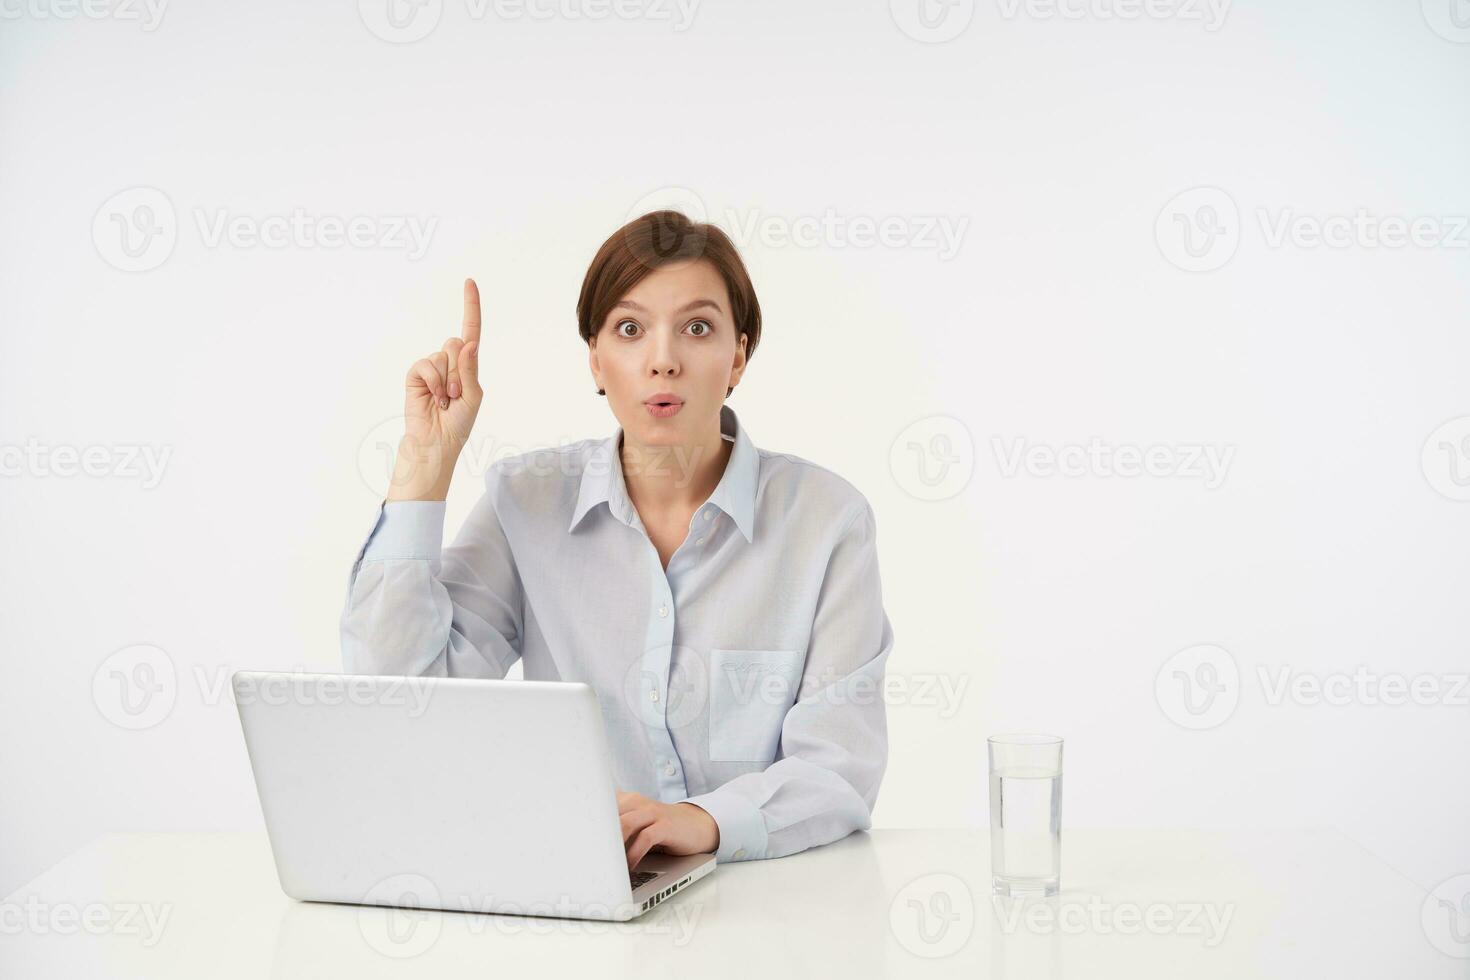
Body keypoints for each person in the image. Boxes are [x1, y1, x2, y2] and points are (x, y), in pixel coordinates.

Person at [341, 210, 895, 870]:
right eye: (630, 330)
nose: (663, 361)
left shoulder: (827, 521)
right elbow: (401, 696)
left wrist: (702, 821)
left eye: (697, 328)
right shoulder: (526, 502)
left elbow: (840, 769)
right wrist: (421, 471)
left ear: (738, 357)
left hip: (764, 904)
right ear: (597, 360)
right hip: (580, 896)